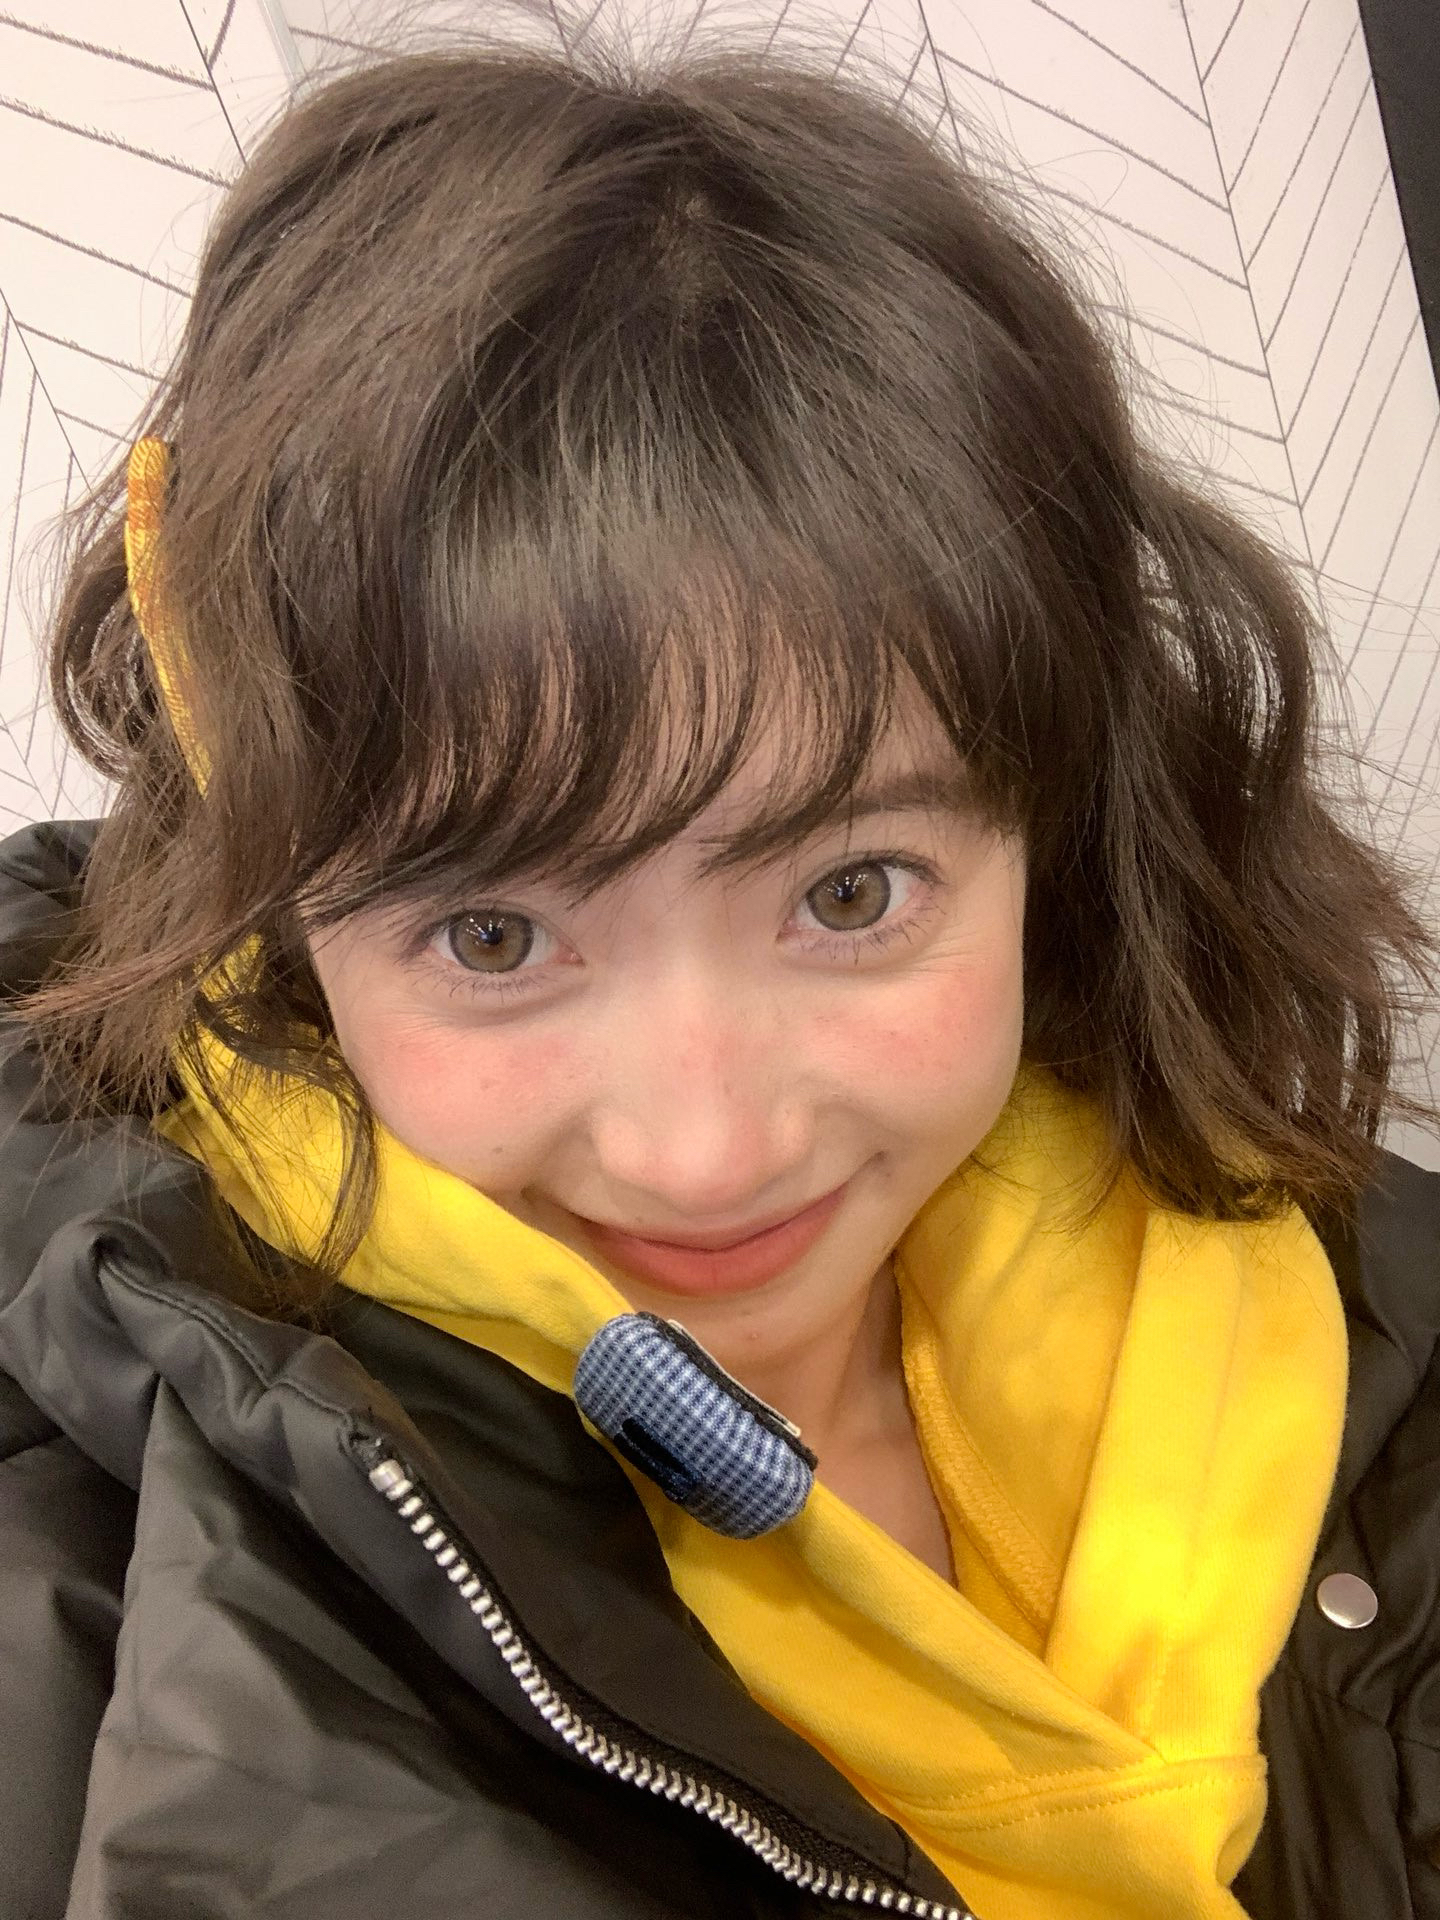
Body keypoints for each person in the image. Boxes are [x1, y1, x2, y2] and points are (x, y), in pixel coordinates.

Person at [2, 29, 1438, 1920]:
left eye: (851, 891)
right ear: (281, 919)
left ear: (1055, 826)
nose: (706, 1151)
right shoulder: (105, 1626)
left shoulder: (1358, 1300)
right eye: (495, 936)